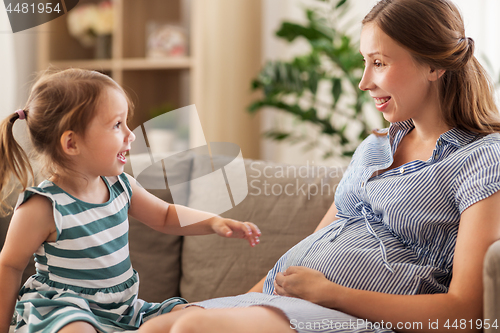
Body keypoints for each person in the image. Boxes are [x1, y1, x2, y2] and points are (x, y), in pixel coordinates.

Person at [135, 0, 500, 332]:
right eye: (364, 61)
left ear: (434, 65)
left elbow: (465, 313)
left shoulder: (482, 158)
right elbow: (316, 243)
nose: (363, 81)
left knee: (190, 330)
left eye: (379, 63)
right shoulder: (373, 147)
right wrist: (238, 302)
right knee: (159, 327)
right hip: (287, 304)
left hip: (346, 316)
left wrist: (332, 294)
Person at [0, 68, 261, 333]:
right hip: (64, 311)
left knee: (192, 315)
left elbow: (166, 216)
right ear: (71, 144)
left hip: (124, 311)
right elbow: (10, 265)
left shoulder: (121, 186)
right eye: (116, 125)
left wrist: (214, 222)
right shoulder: (44, 206)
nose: (131, 134)